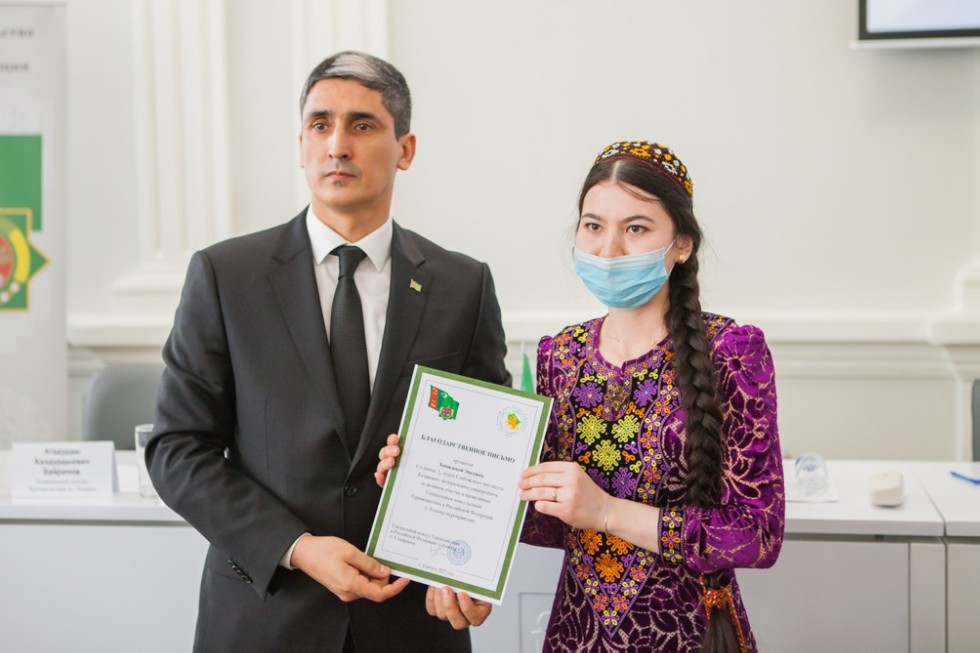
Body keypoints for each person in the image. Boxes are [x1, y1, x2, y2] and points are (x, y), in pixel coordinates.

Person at [146, 51, 510, 652]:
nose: (337, 145)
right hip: (267, 615)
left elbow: (487, 455)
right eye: (320, 125)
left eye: (362, 125)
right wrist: (297, 547)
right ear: (301, 145)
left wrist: (468, 574)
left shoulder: (462, 286)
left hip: (412, 622)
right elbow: (177, 448)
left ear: (405, 149)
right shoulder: (226, 276)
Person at [377, 140, 784, 652]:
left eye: (635, 228)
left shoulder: (733, 352)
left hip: (691, 633)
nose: (608, 250)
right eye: (593, 226)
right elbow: (550, 520)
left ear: (682, 243)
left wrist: (608, 512)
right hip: (577, 633)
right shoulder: (561, 355)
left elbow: (757, 534)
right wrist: (428, 480)